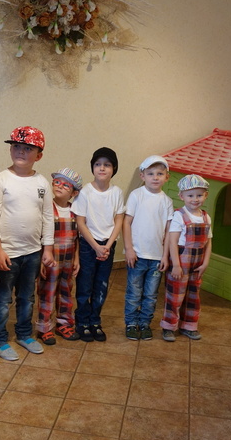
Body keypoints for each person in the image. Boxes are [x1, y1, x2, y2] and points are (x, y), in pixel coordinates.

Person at [0, 126, 56, 361]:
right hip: (7, 252)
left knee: (27, 297)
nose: (20, 151)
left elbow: (48, 216)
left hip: (33, 252)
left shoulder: (42, 183)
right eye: (16, 146)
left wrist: (48, 248)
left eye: (28, 148)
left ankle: (24, 334)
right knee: (2, 298)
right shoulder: (1, 180)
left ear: (39, 155)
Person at [71, 147, 125, 342]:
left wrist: (108, 245)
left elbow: (119, 220)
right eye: (98, 164)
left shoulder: (117, 192)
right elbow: (80, 222)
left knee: (101, 286)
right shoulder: (85, 192)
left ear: (114, 168)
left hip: (107, 246)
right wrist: (96, 246)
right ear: (93, 167)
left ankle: (95, 321)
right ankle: (82, 322)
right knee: (85, 285)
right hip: (88, 245)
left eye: (107, 165)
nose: (102, 168)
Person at [123, 156, 174, 340]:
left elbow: (169, 231)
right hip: (137, 255)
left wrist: (165, 256)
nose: (155, 177)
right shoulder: (136, 195)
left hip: (156, 257)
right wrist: (129, 249)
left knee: (151, 295)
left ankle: (145, 323)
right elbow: (126, 223)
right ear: (142, 176)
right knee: (134, 293)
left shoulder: (167, 201)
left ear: (166, 177)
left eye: (160, 174)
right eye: (150, 173)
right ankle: (131, 323)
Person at [161, 174, 212, 341]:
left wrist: (205, 263)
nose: (195, 199)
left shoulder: (206, 217)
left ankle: (189, 326)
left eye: (199, 195)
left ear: (206, 195)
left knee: (193, 295)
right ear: (181, 196)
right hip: (180, 262)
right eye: (190, 195)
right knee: (175, 295)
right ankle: (169, 326)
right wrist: (176, 265)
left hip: (197, 264)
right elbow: (172, 241)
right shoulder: (179, 215)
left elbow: (208, 242)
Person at [36, 168, 84, 345]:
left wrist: (76, 259)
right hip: (50, 260)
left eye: (65, 185)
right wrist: (41, 261)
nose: (59, 186)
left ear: (74, 192)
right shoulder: (47, 208)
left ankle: (64, 323)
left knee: (66, 292)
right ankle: (44, 327)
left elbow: (76, 238)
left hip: (68, 260)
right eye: (57, 182)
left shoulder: (74, 211)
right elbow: (41, 237)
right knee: (47, 293)